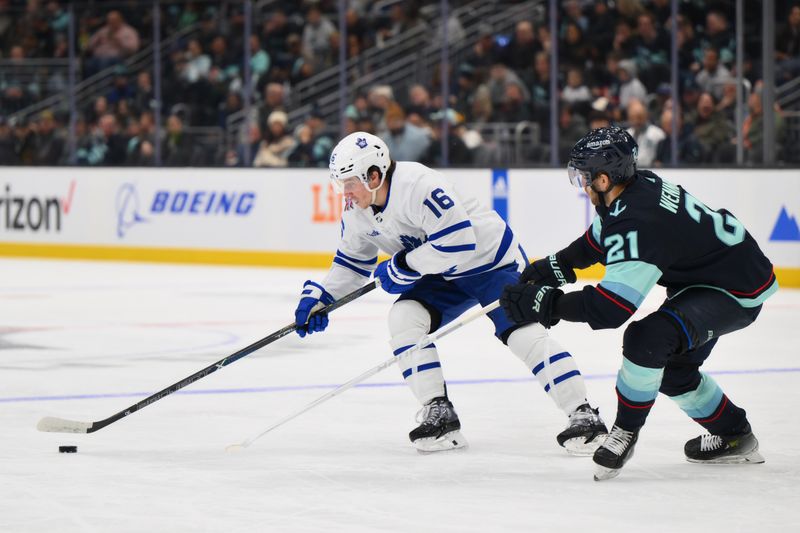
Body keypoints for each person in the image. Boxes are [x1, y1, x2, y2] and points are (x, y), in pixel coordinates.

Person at [293, 131, 608, 454]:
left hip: (490, 263)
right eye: (340, 183)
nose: (344, 193)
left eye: (349, 183)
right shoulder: (356, 211)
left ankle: (584, 415)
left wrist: (403, 266)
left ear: (373, 175)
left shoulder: (417, 185)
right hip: (441, 272)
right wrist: (322, 298)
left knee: (521, 333)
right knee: (404, 317)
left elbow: (460, 241)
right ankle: (439, 414)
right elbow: (351, 263)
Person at [499, 127, 777, 481]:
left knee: (647, 339)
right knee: (675, 373)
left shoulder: (639, 222)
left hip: (733, 291)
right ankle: (736, 437)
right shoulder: (637, 187)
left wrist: (545, 304)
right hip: (716, 276)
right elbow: (599, 240)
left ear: (603, 179)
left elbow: (610, 308)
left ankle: (625, 432)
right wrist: (553, 268)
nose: (582, 186)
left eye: (584, 177)